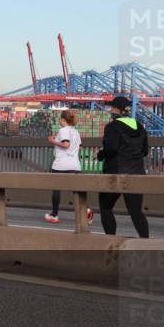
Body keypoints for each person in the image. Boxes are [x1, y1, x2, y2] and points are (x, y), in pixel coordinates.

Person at [96, 96, 150, 238]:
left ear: (116, 110)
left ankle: (111, 241)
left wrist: (100, 155)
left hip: (116, 174)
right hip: (137, 174)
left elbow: (112, 148)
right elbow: (145, 151)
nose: (110, 110)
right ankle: (147, 243)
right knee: (136, 211)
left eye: (112, 108)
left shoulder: (112, 127)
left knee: (106, 207)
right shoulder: (139, 126)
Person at [44, 110, 93, 225]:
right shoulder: (76, 132)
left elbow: (66, 144)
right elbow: (79, 148)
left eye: (60, 120)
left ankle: (54, 215)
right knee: (77, 190)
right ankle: (87, 210)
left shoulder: (63, 130)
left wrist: (53, 141)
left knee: (56, 190)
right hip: (75, 165)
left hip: (61, 165)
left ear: (63, 120)